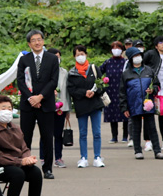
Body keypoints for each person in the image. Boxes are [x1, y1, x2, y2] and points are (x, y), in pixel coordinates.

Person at [16, 30, 59, 178]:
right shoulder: (24, 60)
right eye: (33, 40)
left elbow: (54, 81)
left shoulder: (52, 59)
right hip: (28, 105)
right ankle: (26, 167)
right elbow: (20, 81)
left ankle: (47, 169)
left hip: (46, 104)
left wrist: (40, 97)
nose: (37, 42)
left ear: (43, 41)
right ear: (29, 44)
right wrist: (31, 99)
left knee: (47, 137)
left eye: (39, 39)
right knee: (25, 138)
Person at [120, 46, 163, 161]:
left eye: (139, 55)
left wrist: (153, 90)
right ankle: (138, 151)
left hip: (147, 103)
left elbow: (156, 84)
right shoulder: (126, 74)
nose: (138, 58)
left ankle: (157, 151)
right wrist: (124, 107)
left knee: (152, 128)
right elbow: (122, 92)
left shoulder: (149, 70)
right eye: (135, 56)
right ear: (130, 59)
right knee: (136, 128)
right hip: (133, 104)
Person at [66, 44, 105, 168]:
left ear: (86, 55)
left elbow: (101, 85)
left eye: (82, 54)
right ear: (74, 57)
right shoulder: (72, 73)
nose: (80, 57)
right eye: (78, 55)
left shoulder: (94, 69)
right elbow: (71, 89)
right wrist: (84, 92)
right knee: (83, 133)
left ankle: (97, 157)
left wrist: (94, 92)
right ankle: (83, 158)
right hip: (81, 105)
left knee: (97, 132)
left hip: (95, 104)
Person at [99, 41, 128, 144]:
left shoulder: (125, 62)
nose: (116, 49)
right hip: (111, 91)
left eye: (118, 47)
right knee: (112, 114)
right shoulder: (108, 62)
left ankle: (125, 136)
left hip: (123, 91)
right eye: (114, 47)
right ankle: (114, 136)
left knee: (125, 113)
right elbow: (98, 72)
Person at [47, 47, 70, 168]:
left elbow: (67, 92)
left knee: (58, 134)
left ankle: (58, 157)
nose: (57, 59)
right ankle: (44, 157)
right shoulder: (44, 72)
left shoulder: (64, 72)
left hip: (61, 108)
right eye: (55, 57)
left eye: (58, 57)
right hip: (46, 107)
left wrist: (68, 109)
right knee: (46, 134)